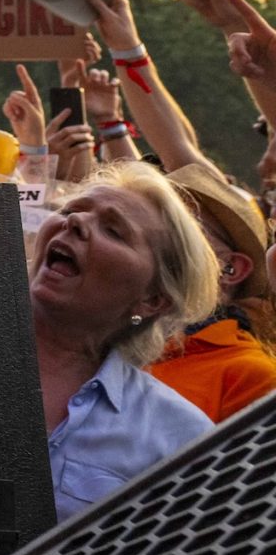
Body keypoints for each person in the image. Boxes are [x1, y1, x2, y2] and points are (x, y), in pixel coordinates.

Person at [33, 163, 217, 520]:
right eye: (71, 210)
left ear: (152, 300)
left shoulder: (181, 439)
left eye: (114, 231)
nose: (75, 222)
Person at [148, 164, 276, 421]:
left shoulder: (252, 376)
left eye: (182, 225)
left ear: (231, 268)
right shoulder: (101, 338)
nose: (149, 234)